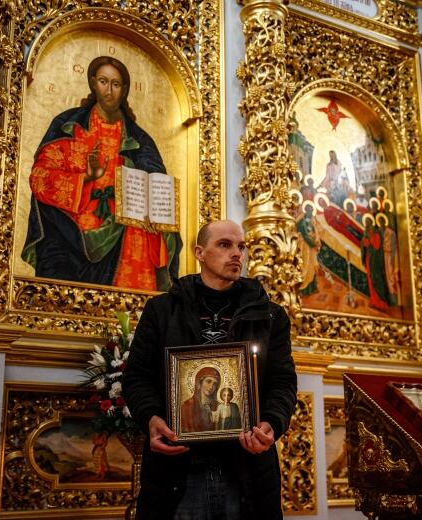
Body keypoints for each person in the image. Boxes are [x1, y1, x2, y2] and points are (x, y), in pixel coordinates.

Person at [122, 219, 298, 519]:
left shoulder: (269, 315)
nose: (237, 254)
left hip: (246, 469)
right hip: (177, 469)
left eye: (241, 246)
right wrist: (150, 418)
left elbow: (282, 381)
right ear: (199, 253)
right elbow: (137, 376)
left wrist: (272, 423)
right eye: (225, 244)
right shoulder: (162, 311)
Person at [21, 55, 181, 291]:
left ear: (124, 89)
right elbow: (40, 178)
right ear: (93, 82)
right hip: (72, 229)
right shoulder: (68, 125)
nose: (109, 90)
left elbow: (157, 190)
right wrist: (86, 177)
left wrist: (153, 216)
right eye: (104, 82)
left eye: (116, 84)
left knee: (143, 236)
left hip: (123, 231)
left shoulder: (140, 140)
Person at [180, 367, 221, 433]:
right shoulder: (187, 406)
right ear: (200, 382)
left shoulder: (219, 406)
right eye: (208, 381)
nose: (211, 387)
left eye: (215, 384)